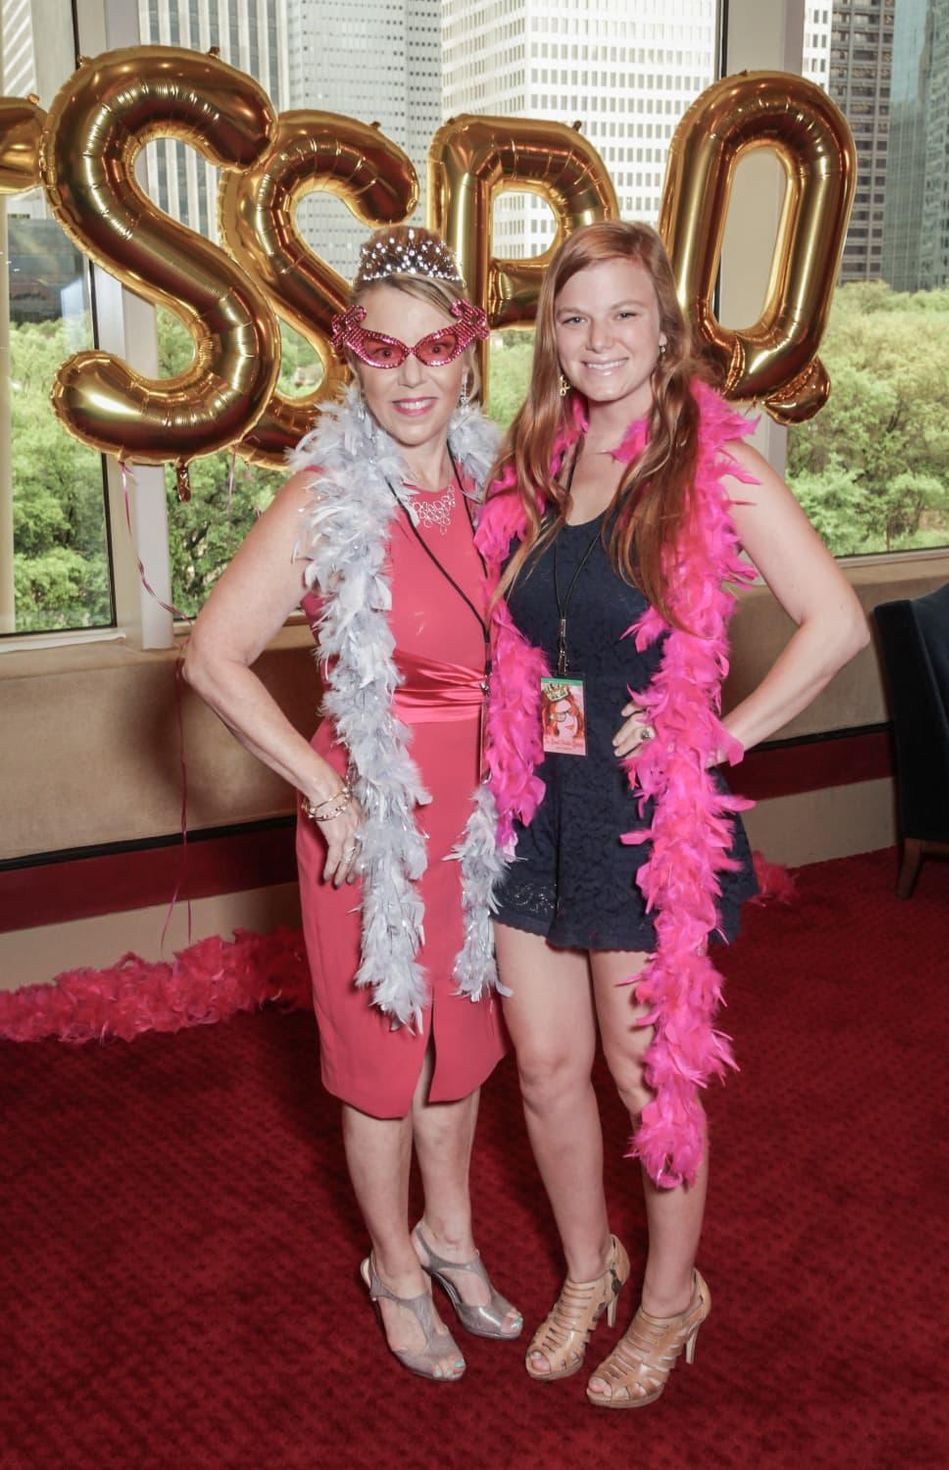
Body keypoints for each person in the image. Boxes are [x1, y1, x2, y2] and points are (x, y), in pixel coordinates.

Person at [475, 220, 868, 1409]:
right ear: (551, 333)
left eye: (623, 314)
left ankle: (666, 1297)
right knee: (544, 1070)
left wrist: (719, 734)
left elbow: (835, 622)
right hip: (529, 798)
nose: (597, 339)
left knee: (647, 1079)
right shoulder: (535, 455)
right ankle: (587, 1271)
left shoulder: (709, 460)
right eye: (574, 315)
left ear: (665, 328)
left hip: (640, 816)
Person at [183, 226, 521, 1382]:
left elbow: (537, 651)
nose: (413, 373)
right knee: (384, 1063)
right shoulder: (327, 497)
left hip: (482, 822)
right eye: (385, 349)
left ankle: (453, 1236)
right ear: (351, 360)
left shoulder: (497, 485)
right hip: (372, 821)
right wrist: (327, 792)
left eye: (436, 348)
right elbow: (213, 658)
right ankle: (390, 1262)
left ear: (470, 357)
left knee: (464, 1049)